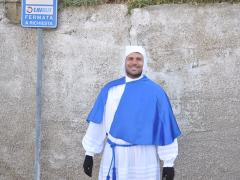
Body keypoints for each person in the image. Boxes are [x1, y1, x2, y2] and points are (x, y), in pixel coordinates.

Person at [82, 46, 181, 180]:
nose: (134, 62)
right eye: (130, 58)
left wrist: (168, 163)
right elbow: (99, 122)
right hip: (115, 154)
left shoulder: (156, 92)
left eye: (138, 59)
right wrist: (90, 153)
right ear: (124, 61)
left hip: (145, 156)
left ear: (144, 62)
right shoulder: (110, 89)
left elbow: (165, 128)